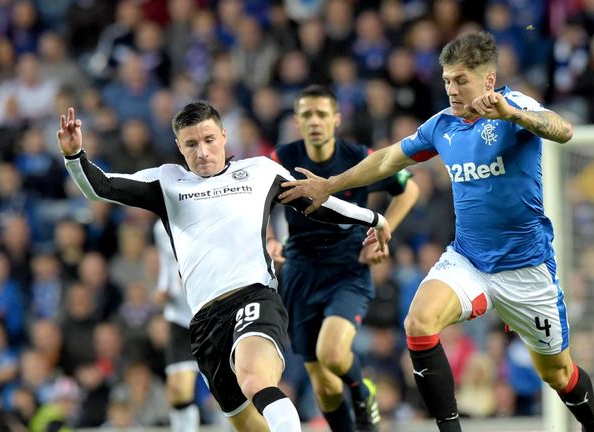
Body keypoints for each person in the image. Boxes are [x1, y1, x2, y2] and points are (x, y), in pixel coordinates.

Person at [279, 32, 594, 432]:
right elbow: (386, 160)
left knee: (557, 374)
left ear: (488, 81)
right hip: (468, 259)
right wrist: (330, 185)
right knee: (418, 323)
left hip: (527, 268)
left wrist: (514, 115)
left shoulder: (515, 107)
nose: (451, 89)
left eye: (461, 80)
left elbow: (563, 130)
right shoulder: (442, 125)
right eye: (447, 80)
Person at [57, 103, 391, 432]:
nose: (202, 151)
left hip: (254, 298)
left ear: (224, 135)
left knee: (254, 378)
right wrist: (75, 156)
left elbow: (316, 202)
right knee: (246, 423)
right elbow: (101, 187)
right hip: (204, 323)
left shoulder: (261, 171)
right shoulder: (167, 183)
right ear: (179, 146)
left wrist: (372, 218)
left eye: (209, 140)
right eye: (191, 144)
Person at [267, 85, 419, 432]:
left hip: (348, 269)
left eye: (322, 114)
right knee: (324, 386)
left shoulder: (357, 156)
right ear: (297, 121)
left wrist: (383, 234)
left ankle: (362, 392)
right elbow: (257, 205)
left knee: (333, 353)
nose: (315, 121)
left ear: (336, 119)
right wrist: (271, 238)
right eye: (307, 114)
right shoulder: (281, 159)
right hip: (300, 272)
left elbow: (409, 188)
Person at [152, 219, 200, 432]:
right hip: (180, 317)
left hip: (214, 314)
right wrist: (163, 287)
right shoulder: (160, 227)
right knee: (178, 388)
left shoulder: (211, 212)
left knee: (229, 388)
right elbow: (167, 264)